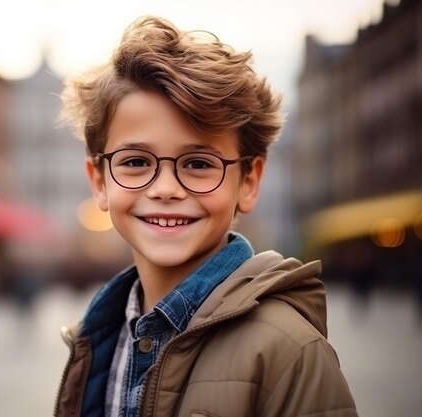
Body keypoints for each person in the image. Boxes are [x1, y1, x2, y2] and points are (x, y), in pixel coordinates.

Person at [54, 16, 358, 417]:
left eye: (198, 163)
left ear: (248, 181)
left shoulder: (290, 353)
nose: (165, 188)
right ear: (100, 182)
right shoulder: (96, 342)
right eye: (135, 162)